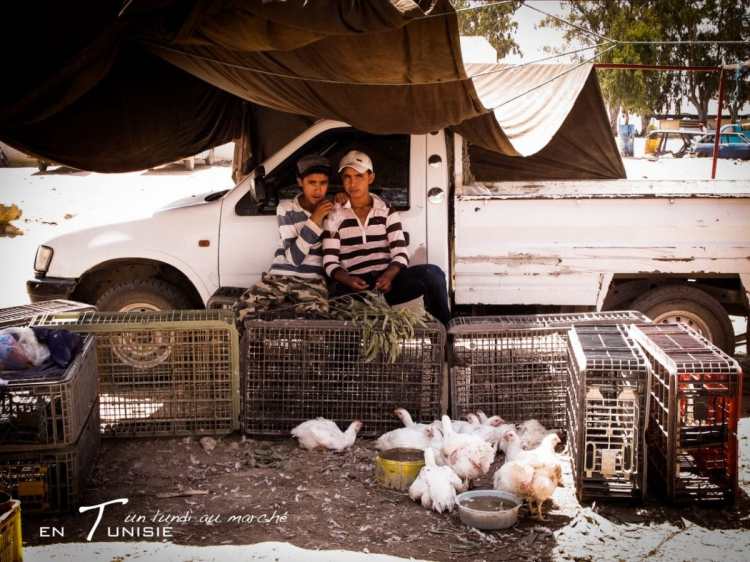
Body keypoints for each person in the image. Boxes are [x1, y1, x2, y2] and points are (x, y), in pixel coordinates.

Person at [322, 150, 450, 325]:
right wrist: (348, 279)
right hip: (355, 287)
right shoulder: (335, 214)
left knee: (433, 274)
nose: (353, 183)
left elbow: (400, 253)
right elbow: (330, 262)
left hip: (387, 282)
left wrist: (389, 276)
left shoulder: (386, 210)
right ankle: (345, 352)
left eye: (359, 176)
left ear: (370, 178)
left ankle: (444, 339)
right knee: (334, 293)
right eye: (347, 177)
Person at [234, 154, 334, 321]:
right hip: (278, 277)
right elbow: (294, 258)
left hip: (312, 281)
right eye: (312, 183)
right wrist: (315, 219)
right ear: (300, 182)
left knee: (317, 323)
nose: (318, 189)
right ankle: (255, 347)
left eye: (323, 183)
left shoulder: (332, 211)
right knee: (241, 310)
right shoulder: (286, 208)